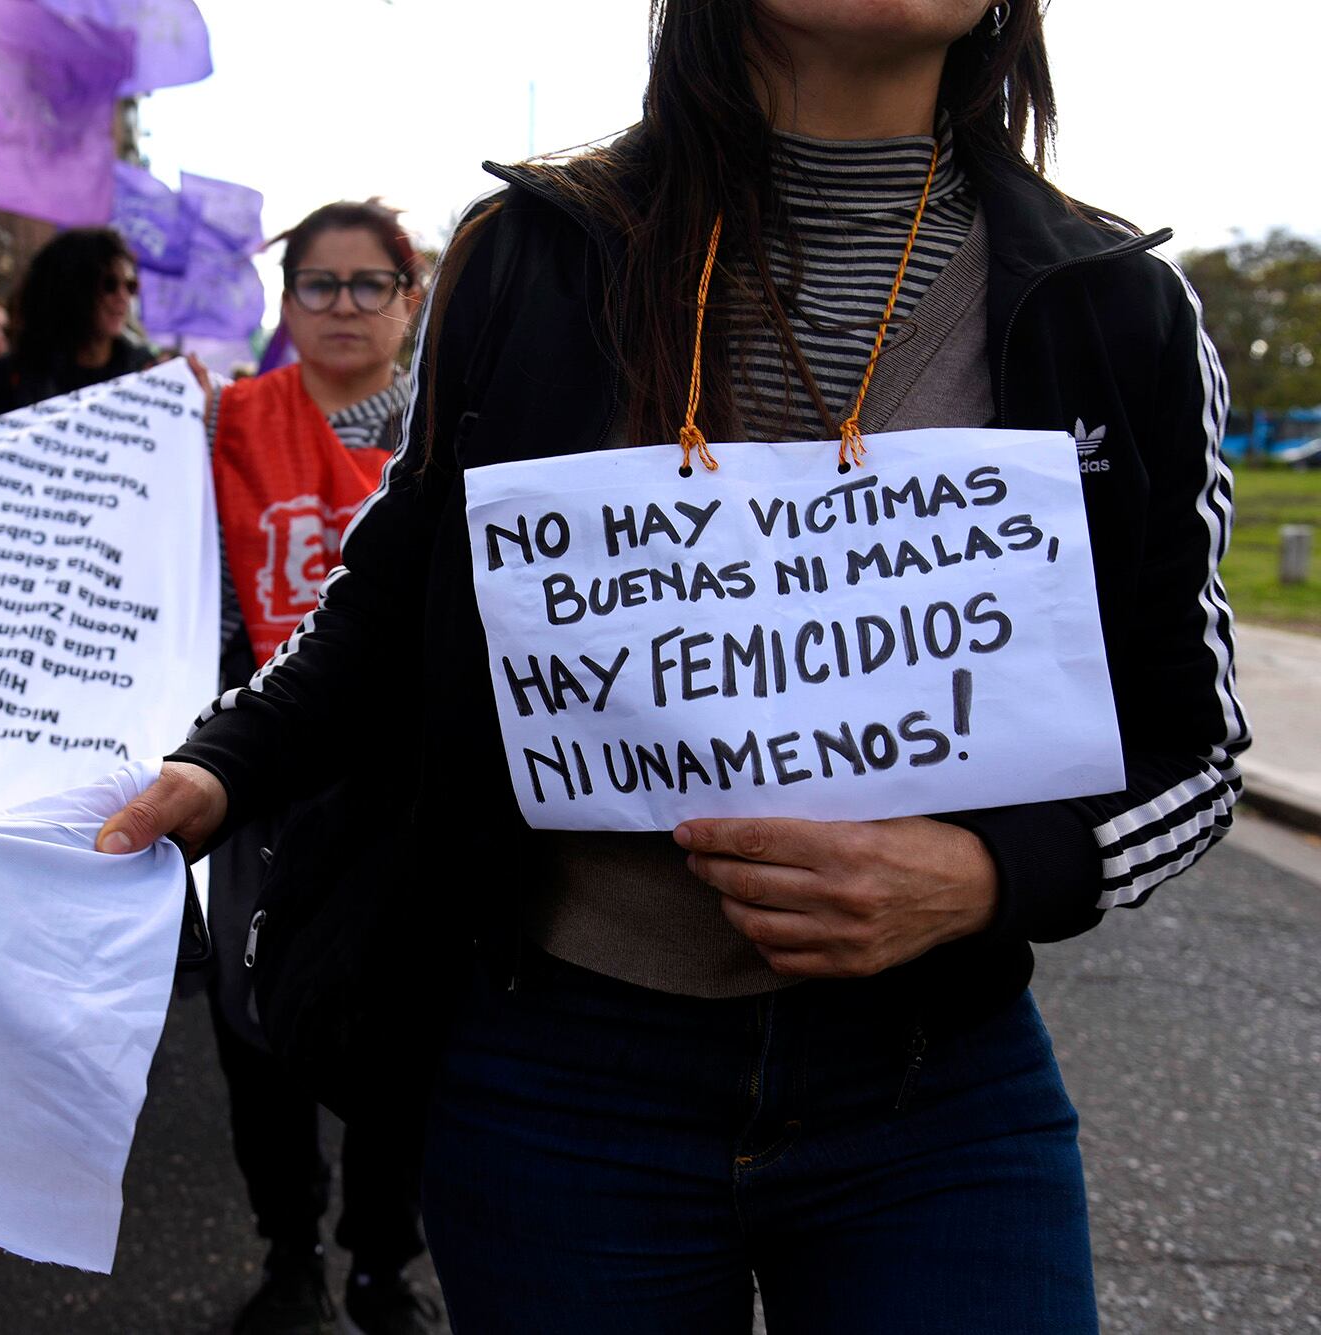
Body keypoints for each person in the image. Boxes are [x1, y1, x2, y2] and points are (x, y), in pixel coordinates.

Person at [98, 2, 1248, 1331]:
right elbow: (402, 588)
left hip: (935, 1087)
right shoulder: (535, 256)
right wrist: (220, 763)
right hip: (561, 1075)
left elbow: (1196, 744)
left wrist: (991, 873)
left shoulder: (1113, 304)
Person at [197, 200, 437, 1335]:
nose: (342, 306)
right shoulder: (220, 428)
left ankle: (383, 1262)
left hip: (408, 792)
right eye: (318, 285)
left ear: (410, 298)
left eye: (368, 284)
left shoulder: (451, 428)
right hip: (259, 783)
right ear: (283, 303)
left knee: (404, 1031)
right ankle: (286, 1252)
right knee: (256, 1035)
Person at [0, 228, 155, 418]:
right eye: (109, 285)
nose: (123, 297)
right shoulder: (9, 378)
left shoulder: (145, 373)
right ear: (70, 290)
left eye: (131, 286)